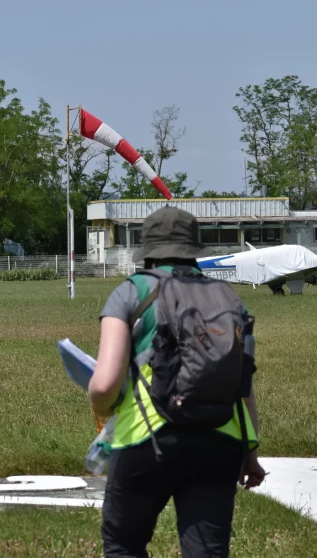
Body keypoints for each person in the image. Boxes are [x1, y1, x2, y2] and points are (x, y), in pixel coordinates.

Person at [88, 207, 266, 558]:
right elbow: (243, 386)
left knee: (124, 544)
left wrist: (100, 409)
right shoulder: (228, 299)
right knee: (206, 552)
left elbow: (104, 384)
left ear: (149, 251)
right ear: (194, 249)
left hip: (147, 437)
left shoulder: (131, 292)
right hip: (221, 440)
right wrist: (251, 451)